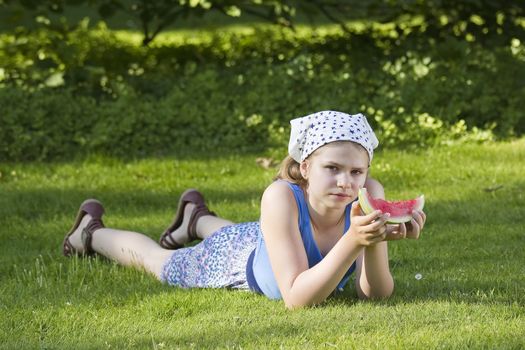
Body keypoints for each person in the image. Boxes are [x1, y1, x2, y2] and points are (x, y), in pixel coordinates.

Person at [62, 110, 426, 309]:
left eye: (356, 171)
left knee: (248, 235)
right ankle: (90, 234)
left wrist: (374, 242)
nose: (346, 182)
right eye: (332, 168)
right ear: (304, 168)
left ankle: (195, 218)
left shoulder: (367, 194)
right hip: (239, 260)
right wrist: (353, 240)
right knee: (161, 263)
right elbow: (297, 299)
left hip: (262, 241)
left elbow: (375, 296)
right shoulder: (279, 197)